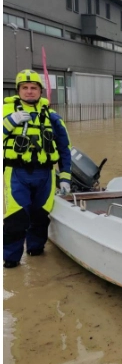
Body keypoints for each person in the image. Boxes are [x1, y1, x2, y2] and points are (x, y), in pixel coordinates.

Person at [3, 70, 73, 268]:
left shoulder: (53, 117)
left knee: (41, 215)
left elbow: (65, 148)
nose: (29, 91)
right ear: (18, 91)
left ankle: (35, 250)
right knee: (16, 218)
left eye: (34, 88)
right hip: (16, 173)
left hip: (46, 174)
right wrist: (10, 122)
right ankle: (11, 259)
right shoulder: (6, 113)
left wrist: (65, 177)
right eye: (25, 88)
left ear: (40, 91)